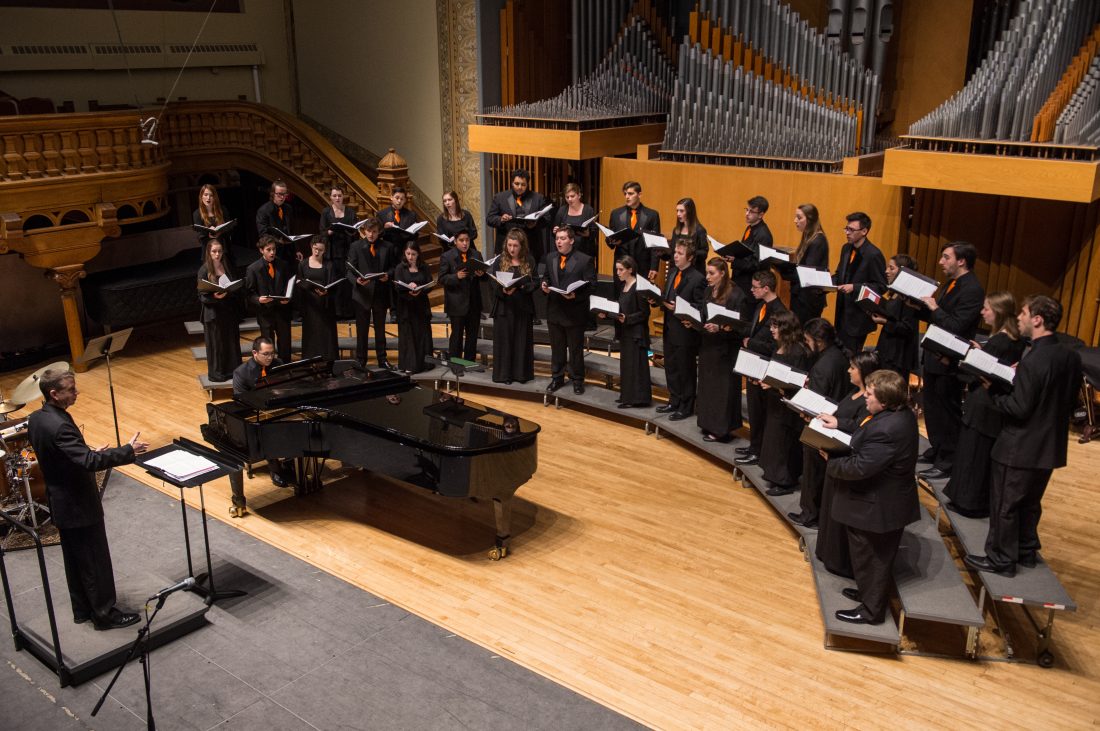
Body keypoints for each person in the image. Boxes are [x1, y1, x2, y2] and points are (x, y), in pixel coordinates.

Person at [965, 295, 1082, 577]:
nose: (1019, 317)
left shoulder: (1033, 360)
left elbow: (1018, 408)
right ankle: (1026, 551)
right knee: (1029, 503)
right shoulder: (1070, 354)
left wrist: (993, 388)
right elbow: (1066, 400)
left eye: (1025, 313)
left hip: (1019, 446)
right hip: (1049, 446)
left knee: (1005, 505)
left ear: (1038, 319)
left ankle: (1001, 559)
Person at [27, 369, 149, 630]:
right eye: (70, 389)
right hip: (77, 502)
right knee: (94, 560)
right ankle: (105, 614)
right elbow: (89, 463)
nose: (76, 392)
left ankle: (82, 610)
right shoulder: (60, 425)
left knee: (74, 559)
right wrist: (127, 451)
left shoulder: (37, 418)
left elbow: (63, 456)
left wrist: (85, 452)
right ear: (54, 393)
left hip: (60, 500)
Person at [826, 369, 921, 625]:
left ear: (886, 400)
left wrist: (831, 461)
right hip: (883, 499)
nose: (865, 398)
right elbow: (863, 430)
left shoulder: (888, 429)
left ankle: (871, 611)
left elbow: (860, 468)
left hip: (878, 506)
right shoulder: (895, 415)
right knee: (867, 555)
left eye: (869, 395)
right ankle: (868, 592)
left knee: (872, 556)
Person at [943, 292, 1025, 518]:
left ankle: (968, 503)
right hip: (993, 406)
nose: (982, 312)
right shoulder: (1014, 338)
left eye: (986, 308)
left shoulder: (999, 340)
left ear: (997, 312)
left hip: (983, 405)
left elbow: (980, 372)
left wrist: (961, 361)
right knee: (979, 455)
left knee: (973, 455)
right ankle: (975, 500)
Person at [917, 241, 985, 480]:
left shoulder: (972, 289)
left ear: (961, 261)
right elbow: (938, 316)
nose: (941, 262)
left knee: (947, 410)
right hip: (935, 354)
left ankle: (948, 460)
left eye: (946, 257)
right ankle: (938, 449)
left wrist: (934, 307)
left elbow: (956, 325)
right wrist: (920, 306)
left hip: (950, 359)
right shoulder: (952, 283)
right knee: (932, 408)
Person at [814, 350, 879, 577]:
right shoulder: (853, 392)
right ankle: (824, 550)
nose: (848, 370)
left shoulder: (868, 402)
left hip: (846, 458)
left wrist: (838, 422)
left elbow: (861, 427)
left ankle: (837, 559)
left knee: (838, 510)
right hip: (835, 455)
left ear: (864, 373)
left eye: (853, 368)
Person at [789, 318, 851, 527]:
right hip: (837, 419)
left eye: (807, 340)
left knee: (813, 471)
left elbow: (817, 399)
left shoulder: (823, 365)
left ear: (819, 341)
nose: (806, 344)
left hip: (821, 425)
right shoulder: (840, 355)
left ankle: (809, 514)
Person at [228, 337, 293, 516]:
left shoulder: (279, 364)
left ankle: (290, 463)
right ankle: (275, 468)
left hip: (279, 409)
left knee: (296, 425)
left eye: (272, 353)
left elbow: (290, 386)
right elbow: (240, 399)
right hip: (255, 414)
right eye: (266, 354)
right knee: (267, 431)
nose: (270, 358)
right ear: (255, 353)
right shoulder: (242, 373)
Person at [734, 269, 788, 467]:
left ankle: (759, 451)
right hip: (753, 363)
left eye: (755, 287)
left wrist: (751, 344)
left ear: (766, 288)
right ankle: (753, 445)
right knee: (754, 409)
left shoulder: (780, 312)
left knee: (760, 411)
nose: (751, 290)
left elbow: (778, 346)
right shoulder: (761, 306)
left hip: (764, 366)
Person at [758, 310, 809, 495]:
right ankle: (774, 475)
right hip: (775, 402)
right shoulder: (779, 346)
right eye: (771, 325)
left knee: (784, 442)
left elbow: (798, 383)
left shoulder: (797, 352)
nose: (771, 330)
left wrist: (774, 386)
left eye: (775, 326)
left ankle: (785, 481)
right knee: (774, 440)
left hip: (787, 406)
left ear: (786, 328)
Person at [541, 227, 596, 394]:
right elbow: (547, 277)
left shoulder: (584, 260)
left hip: (574, 312)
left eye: (563, 238)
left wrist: (576, 296)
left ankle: (577, 379)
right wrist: (544, 284)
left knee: (575, 349)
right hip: (555, 310)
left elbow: (592, 285)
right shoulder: (550, 257)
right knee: (557, 348)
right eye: (557, 238)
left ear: (571, 240)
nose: (558, 241)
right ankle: (557, 377)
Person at [656, 239, 705, 420]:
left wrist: (681, 309)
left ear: (690, 257)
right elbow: (667, 296)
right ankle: (674, 400)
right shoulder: (673, 273)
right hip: (670, 329)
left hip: (685, 332)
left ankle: (686, 406)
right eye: (675, 252)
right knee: (671, 367)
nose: (675, 256)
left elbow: (700, 307)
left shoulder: (698, 279)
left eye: (680, 253)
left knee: (686, 370)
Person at [696, 257, 744, 440]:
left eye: (711, 273)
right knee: (708, 387)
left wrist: (721, 328)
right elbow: (704, 314)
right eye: (707, 272)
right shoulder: (709, 291)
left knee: (722, 391)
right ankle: (708, 423)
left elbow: (740, 327)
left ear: (722, 273)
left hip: (725, 350)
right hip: (709, 346)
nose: (707, 277)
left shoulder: (736, 295)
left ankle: (721, 429)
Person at [601, 255, 652, 408]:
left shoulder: (639, 287)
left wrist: (628, 318)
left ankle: (636, 399)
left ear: (630, 270)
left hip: (636, 333)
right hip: (626, 332)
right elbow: (621, 308)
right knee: (627, 366)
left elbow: (644, 313)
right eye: (617, 269)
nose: (618, 272)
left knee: (635, 367)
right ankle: (627, 396)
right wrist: (606, 314)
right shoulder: (624, 286)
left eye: (621, 269)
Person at [833, 211, 887, 353]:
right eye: (846, 228)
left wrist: (855, 287)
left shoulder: (873, 254)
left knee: (851, 357)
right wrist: (826, 283)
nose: (847, 233)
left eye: (851, 230)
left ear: (864, 231)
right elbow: (840, 275)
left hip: (858, 317)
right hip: (841, 313)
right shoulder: (846, 248)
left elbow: (881, 286)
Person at [490, 229, 538, 383]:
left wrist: (524, 288)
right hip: (504, 306)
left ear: (521, 246)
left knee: (521, 340)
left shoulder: (529, 260)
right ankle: (505, 375)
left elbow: (535, 281)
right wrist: (502, 289)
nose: (512, 249)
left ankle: (521, 375)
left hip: (522, 306)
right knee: (505, 341)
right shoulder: (499, 260)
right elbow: (493, 282)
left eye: (515, 246)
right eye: (509, 245)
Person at [346, 217, 395, 368]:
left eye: (374, 232)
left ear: (379, 232)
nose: (371, 235)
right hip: (362, 294)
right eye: (368, 231)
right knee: (362, 330)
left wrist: (388, 275)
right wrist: (356, 281)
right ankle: (361, 360)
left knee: (380, 329)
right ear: (364, 231)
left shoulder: (388, 246)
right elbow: (349, 269)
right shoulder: (355, 246)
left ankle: (382, 359)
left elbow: (393, 267)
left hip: (380, 294)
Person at [197, 238, 243, 382]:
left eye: (219, 251)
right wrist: (215, 296)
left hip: (228, 310)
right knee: (217, 345)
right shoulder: (204, 270)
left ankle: (233, 371)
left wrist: (229, 291)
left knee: (231, 341)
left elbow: (233, 285)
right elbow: (202, 297)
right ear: (209, 252)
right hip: (213, 313)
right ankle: (218, 374)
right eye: (214, 251)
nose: (217, 254)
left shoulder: (226, 266)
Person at [245, 235, 294, 363]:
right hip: (265, 313)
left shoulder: (283, 265)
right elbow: (249, 293)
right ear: (261, 250)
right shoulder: (253, 269)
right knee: (267, 343)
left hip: (282, 310)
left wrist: (288, 298)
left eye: (274, 249)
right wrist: (258, 300)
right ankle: (269, 368)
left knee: (285, 342)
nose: (272, 252)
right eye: (268, 249)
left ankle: (285, 367)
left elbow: (289, 285)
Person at [438, 229, 485, 362]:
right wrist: (456, 277)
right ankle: (456, 362)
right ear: (455, 241)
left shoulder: (476, 254)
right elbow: (441, 279)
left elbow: (484, 278)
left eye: (467, 240)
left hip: (473, 303)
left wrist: (482, 275)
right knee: (457, 335)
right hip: (456, 303)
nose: (465, 243)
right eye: (461, 240)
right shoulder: (447, 256)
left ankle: (469, 362)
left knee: (472, 336)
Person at [873, 254, 922, 381]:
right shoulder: (895, 292)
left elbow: (907, 328)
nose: (886, 271)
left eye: (891, 268)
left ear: (903, 272)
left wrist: (885, 321)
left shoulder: (910, 296)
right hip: (888, 348)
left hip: (899, 354)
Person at [487, 169, 552, 260]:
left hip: (531, 246)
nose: (520, 187)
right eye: (517, 184)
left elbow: (547, 219)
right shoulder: (500, 197)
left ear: (527, 184)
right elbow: (489, 218)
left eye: (523, 184)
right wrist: (501, 219)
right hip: (506, 246)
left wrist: (535, 224)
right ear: (512, 183)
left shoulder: (538, 198)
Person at [392, 241, 434, 373]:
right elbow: (397, 287)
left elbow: (430, 284)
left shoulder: (424, 267)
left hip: (421, 305)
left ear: (418, 254)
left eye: (413, 254)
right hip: (406, 306)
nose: (410, 257)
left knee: (422, 334)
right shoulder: (400, 268)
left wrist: (420, 289)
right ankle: (409, 365)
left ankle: (425, 364)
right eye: (408, 253)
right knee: (408, 336)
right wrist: (408, 289)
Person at [784, 203, 830, 324]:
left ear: (810, 219)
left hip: (808, 300)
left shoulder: (818, 241)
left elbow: (807, 273)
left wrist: (784, 271)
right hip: (801, 296)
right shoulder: (808, 237)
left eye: (799, 217)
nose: (795, 221)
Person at [607, 181, 661, 282]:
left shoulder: (652, 215)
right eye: (625, 194)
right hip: (622, 266)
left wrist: (654, 267)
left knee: (640, 297)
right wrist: (611, 241)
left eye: (631, 194)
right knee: (620, 296)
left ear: (639, 194)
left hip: (643, 265)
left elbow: (655, 244)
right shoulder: (616, 214)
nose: (627, 197)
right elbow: (610, 241)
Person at [297, 236, 339, 362]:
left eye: (320, 250)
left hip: (325, 305)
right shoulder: (303, 264)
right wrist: (309, 287)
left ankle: (329, 360)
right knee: (312, 334)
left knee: (327, 334)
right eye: (315, 249)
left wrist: (326, 291)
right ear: (311, 246)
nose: (317, 252)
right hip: (310, 306)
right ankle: (311, 361)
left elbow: (333, 284)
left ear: (324, 250)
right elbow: (299, 283)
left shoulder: (329, 265)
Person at [725, 195, 772, 306]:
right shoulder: (750, 227)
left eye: (751, 212)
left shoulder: (764, 235)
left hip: (749, 288)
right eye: (747, 210)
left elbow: (756, 265)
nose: (747, 214)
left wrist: (735, 260)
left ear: (761, 214)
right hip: (740, 282)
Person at [319, 185, 356, 320]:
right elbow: (322, 231)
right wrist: (328, 232)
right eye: (335, 196)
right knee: (335, 282)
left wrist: (348, 230)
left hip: (346, 251)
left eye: (340, 195)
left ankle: (349, 312)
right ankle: (337, 312)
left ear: (343, 196)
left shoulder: (351, 212)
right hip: (332, 252)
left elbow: (355, 231)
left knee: (347, 282)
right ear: (331, 198)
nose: (337, 198)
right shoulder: (326, 212)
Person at [255, 179, 298, 264]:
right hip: (274, 251)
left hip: (289, 252)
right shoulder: (263, 210)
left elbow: (292, 231)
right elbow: (263, 233)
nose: (282, 197)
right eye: (279, 194)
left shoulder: (288, 208)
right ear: (272, 194)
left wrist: (297, 250)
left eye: (284, 194)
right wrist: (278, 241)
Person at [552, 182, 598, 258]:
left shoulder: (588, 210)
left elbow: (595, 231)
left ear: (579, 195)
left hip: (584, 250)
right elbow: (555, 230)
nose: (569, 199)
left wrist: (588, 234)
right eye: (567, 197)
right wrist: (555, 231)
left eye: (572, 196)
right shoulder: (562, 210)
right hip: (566, 251)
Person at [669, 198, 709, 273]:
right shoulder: (676, 230)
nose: (678, 214)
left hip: (694, 271)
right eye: (677, 211)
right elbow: (672, 251)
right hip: (677, 271)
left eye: (681, 211)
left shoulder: (700, 230)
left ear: (689, 212)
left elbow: (704, 253)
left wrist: (689, 252)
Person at [193, 183, 230, 249]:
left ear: (215, 197)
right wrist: (208, 234)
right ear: (201, 196)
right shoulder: (197, 213)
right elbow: (199, 235)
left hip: (224, 247)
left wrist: (220, 232)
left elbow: (230, 229)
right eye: (206, 195)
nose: (208, 198)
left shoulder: (222, 210)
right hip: (208, 248)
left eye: (211, 195)